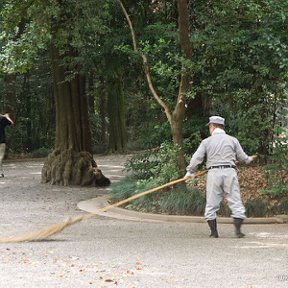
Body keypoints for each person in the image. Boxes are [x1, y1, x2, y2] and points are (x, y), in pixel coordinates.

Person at [184, 116, 256, 238]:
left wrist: (190, 171)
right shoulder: (233, 140)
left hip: (214, 173)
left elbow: (197, 158)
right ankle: (238, 231)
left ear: (212, 126)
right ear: (222, 127)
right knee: (235, 200)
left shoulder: (206, 142)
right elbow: (243, 158)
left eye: (209, 127)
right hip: (230, 172)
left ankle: (214, 233)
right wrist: (249, 159)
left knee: (212, 202)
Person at [0, 113, 14, 177]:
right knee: (0, 157)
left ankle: (0, 172)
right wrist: (7, 116)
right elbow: (11, 123)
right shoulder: (2, 118)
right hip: (1, 141)